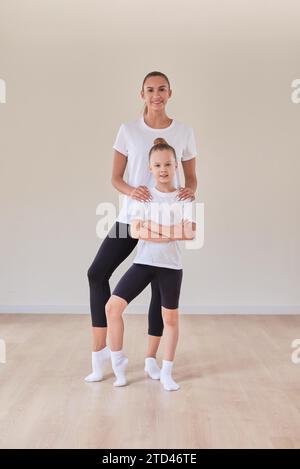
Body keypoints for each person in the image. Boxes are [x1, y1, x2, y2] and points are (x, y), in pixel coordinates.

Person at [85, 71, 198, 383]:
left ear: (170, 93)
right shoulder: (128, 130)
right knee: (97, 272)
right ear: (142, 94)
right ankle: (101, 352)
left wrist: (189, 196)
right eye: (150, 90)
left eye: (161, 89)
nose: (156, 95)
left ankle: (151, 359)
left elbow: (191, 179)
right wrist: (130, 191)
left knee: (158, 286)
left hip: (164, 218)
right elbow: (116, 178)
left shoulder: (185, 131)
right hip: (130, 218)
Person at [106, 137, 196, 391]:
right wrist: (169, 230)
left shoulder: (184, 198)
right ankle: (118, 362)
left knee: (170, 320)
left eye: (168, 164)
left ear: (176, 166)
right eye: (157, 165)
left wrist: (153, 227)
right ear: (150, 169)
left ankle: (166, 370)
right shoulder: (143, 197)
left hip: (170, 266)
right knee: (113, 307)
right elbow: (136, 231)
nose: (163, 169)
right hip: (144, 262)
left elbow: (189, 232)